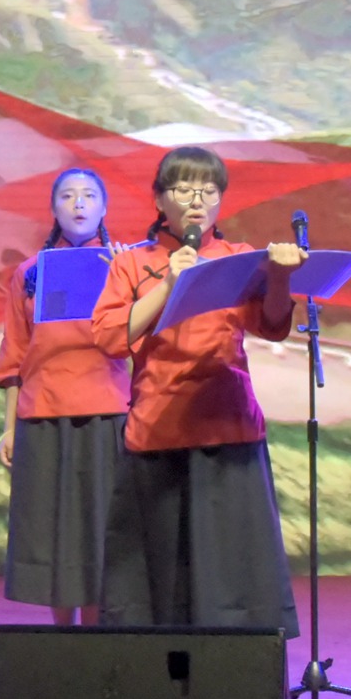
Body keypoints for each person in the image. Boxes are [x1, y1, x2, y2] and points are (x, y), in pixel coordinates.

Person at [90, 145, 303, 635]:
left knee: (231, 573)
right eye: (184, 189)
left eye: (209, 191)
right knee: (160, 578)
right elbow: (109, 338)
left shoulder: (237, 258)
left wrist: (280, 280)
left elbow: (272, 326)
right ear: (159, 199)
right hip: (157, 431)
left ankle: (235, 663)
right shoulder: (132, 264)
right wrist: (168, 284)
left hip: (227, 429)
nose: (197, 200)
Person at [0, 168, 128, 625]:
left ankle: (94, 635)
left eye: (89, 195)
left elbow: (140, 342)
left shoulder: (124, 266)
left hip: (106, 414)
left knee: (98, 530)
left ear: (104, 207)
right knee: (53, 531)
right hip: (43, 415)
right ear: (54, 208)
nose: (79, 203)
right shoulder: (30, 272)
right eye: (68, 196)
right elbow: (14, 355)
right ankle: (62, 637)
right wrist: (9, 428)